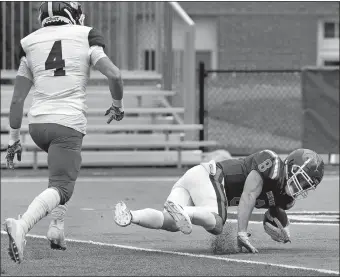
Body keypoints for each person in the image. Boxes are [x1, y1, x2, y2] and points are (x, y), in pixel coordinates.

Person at [4, 1, 124, 264]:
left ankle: (56, 229)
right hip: (66, 123)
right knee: (63, 186)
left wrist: (13, 140)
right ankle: (22, 226)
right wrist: (117, 106)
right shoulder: (86, 35)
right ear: (73, 15)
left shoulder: (29, 42)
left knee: (60, 175)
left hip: (38, 126)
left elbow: (16, 101)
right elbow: (114, 75)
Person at [114, 148, 325, 253]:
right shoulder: (272, 164)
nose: (301, 187)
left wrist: (283, 225)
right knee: (217, 223)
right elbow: (249, 195)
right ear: (291, 166)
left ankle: (130, 215)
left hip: (196, 179)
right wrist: (241, 233)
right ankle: (183, 211)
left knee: (170, 223)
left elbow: (274, 210)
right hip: (210, 177)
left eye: (307, 186)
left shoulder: (285, 197)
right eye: (302, 179)